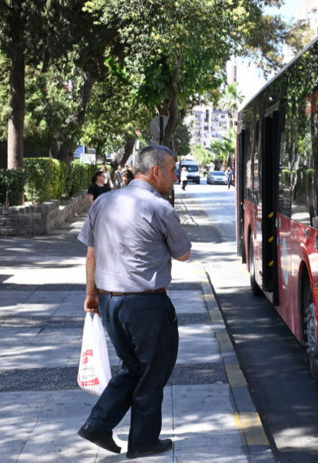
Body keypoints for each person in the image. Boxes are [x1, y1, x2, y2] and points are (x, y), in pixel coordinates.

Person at [76, 145, 191, 459]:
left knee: (133, 367)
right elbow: (183, 253)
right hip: (147, 306)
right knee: (154, 372)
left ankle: (99, 423)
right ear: (156, 172)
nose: (175, 175)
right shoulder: (160, 207)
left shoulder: (103, 202)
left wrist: (91, 294)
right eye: (172, 169)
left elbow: (91, 253)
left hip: (111, 303)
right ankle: (142, 442)